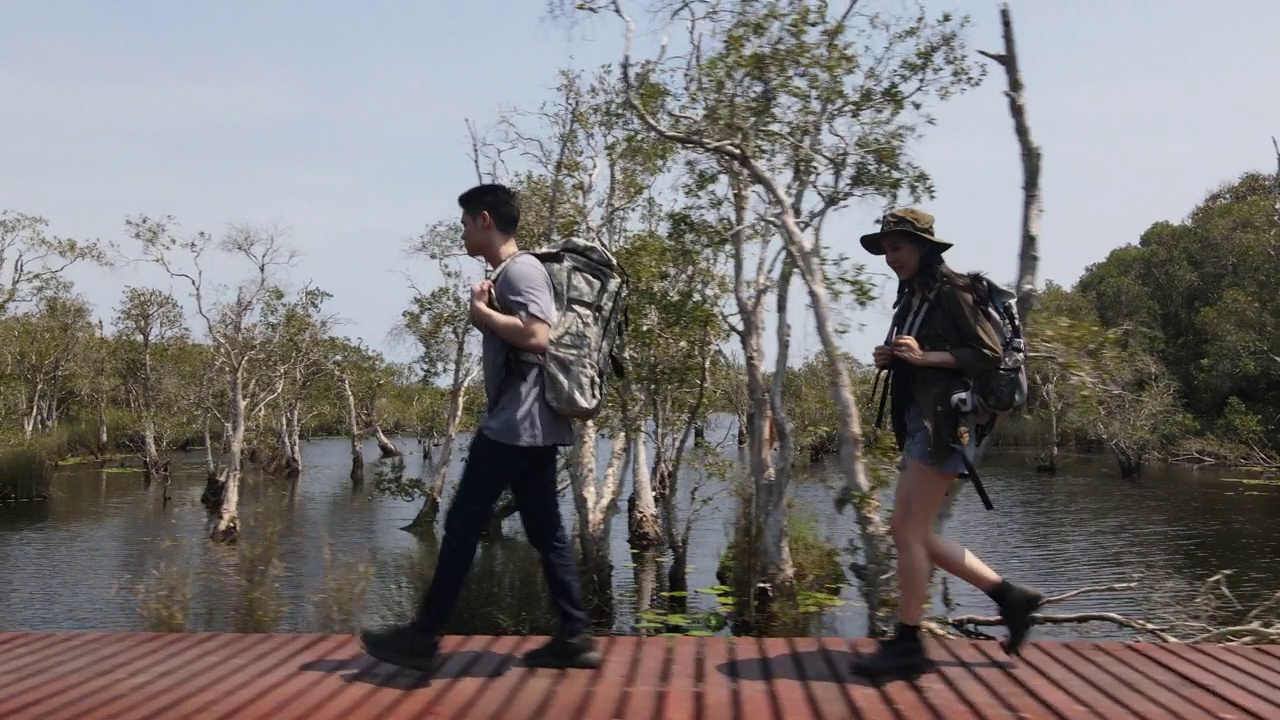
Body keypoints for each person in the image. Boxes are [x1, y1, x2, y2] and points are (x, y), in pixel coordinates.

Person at [360, 183, 602, 671]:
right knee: (546, 530)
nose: (464, 232)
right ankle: (574, 634)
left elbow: (537, 336)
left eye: (466, 223)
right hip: (534, 424)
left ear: (485, 220)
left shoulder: (523, 270)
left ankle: (423, 637)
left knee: (463, 523)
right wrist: (487, 314)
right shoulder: (509, 273)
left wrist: (481, 313)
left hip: (516, 424)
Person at [851, 208, 1044, 678]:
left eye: (897, 246)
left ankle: (909, 644)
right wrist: (894, 358)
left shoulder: (953, 294)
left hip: (949, 427)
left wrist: (923, 356)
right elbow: (924, 360)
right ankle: (1010, 598)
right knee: (906, 530)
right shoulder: (914, 297)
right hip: (926, 423)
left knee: (908, 531)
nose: (890, 257)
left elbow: (987, 354)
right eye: (886, 249)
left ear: (923, 248)